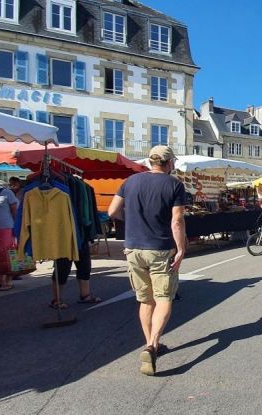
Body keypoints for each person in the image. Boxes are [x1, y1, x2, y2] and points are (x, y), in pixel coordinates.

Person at [107, 145, 187, 376]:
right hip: (160, 248)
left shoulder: (130, 181)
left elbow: (112, 211)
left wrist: (131, 219)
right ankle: (153, 344)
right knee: (164, 298)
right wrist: (181, 248)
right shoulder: (174, 185)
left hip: (133, 247)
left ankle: (149, 344)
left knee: (145, 300)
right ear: (169, 162)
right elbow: (177, 220)